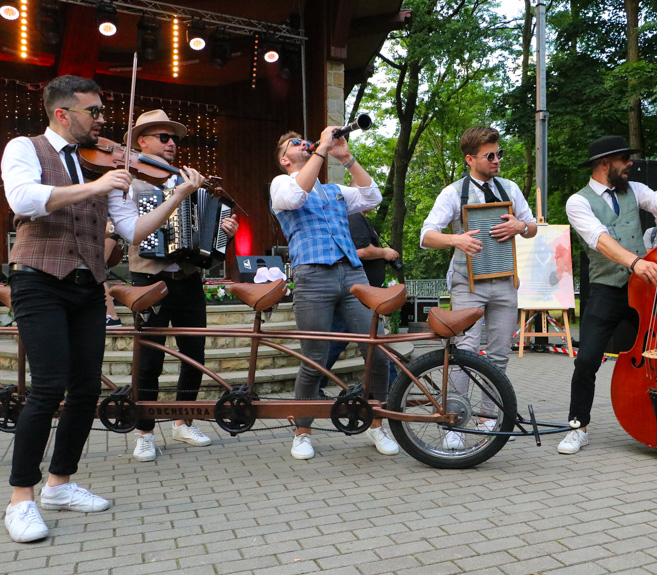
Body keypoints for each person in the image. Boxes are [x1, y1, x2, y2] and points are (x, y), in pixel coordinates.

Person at [0, 76, 195, 543]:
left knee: (86, 388)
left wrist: (176, 197)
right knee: (47, 387)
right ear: (62, 114)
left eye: (104, 111)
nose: (104, 121)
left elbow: (130, 230)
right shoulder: (24, 148)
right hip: (38, 279)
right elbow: (23, 199)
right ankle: (20, 499)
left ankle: (60, 484)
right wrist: (98, 185)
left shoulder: (106, 165)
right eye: (94, 112)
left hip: (88, 284)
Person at [108, 110, 239, 462]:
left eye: (175, 139)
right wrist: (176, 196)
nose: (171, 144)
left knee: (194, 354)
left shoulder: (187, 181)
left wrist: (222, 235)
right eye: (164, 138)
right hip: (149, 280)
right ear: (142, 142)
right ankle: (144, 431)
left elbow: (207, 241)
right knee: (149, 357)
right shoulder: (129, 184)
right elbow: (130, 231)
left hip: (189, 279)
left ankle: (184, 420)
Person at [560, 135, 657, 455]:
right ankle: (577, 427)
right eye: (624, 159)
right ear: (604, 164)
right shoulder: (577, 202)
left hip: (645, 291)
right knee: (587, 360)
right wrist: (636, 262)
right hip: (606, 289)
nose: (630, 164)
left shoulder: (633, 189)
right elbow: (599, 239)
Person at [270, 128, 398, 459]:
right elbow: (297, 196)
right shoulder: (281, 184)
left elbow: (372, 198)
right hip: (312, 275)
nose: (303, 144)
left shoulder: (335, 190)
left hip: (352, 274)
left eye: (304, 141)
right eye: (294, 144)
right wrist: (322, 149)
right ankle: (302, 430)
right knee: (314, 358)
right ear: (285, 159)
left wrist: (346, 157)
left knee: (377, 352)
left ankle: (377, 425)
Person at [420, 126, 537, 449]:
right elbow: (426, 235)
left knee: (499, 354)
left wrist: (520, 226)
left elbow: (532, 227)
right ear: (471, 159)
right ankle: (454, 420)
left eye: (499, 153)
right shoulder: (453, 193)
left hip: (504, 281)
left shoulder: (509, 188)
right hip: (467, 283)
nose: (497, 159)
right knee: (464, 352)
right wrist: (455, 238)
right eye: (490, 155)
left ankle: (488, 418)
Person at [317, 210, 400, 397]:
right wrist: (384, 252)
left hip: (363, 292)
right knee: (337, 341)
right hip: (358, 293)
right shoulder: (354, 216)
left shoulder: (359, 218)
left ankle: (391, 383)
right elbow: (360, 251)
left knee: (367, 339)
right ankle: (392, 384)